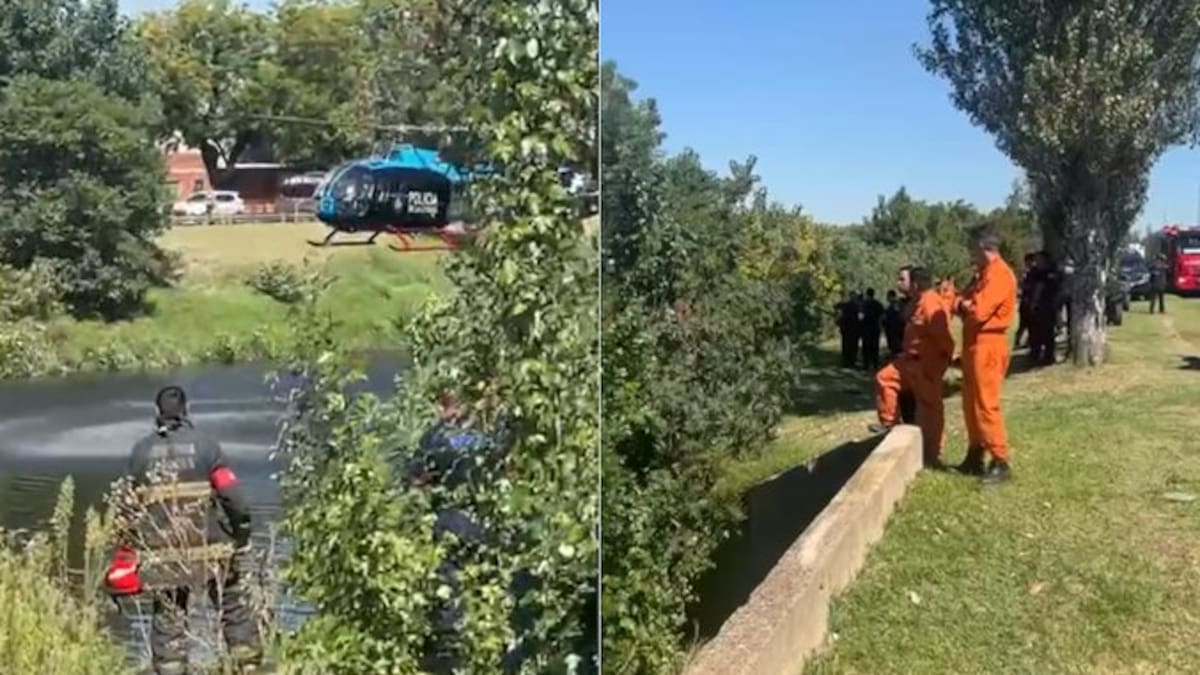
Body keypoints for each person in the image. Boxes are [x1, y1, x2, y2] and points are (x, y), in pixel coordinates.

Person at [106, 386, 263, 675]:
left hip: (162, 555)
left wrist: (126, 551)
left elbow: (126, 509)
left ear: (156, 414)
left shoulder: (141, 452)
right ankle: (248, 665)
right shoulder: (207, 446)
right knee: (234, 606)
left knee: (169, 618)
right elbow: (232, 496)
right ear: (187, 411)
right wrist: (241, 533)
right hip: (211, 549)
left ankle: (171, 670)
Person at [869, 265, 955, 468]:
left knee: (929, 409)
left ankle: (933, 454)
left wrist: (940, 364)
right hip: (909, 361)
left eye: (903, 280)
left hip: (926, 364)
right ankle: (889, 424)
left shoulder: (931, 304)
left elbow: (944, 339)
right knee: (885, 378)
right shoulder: (917, 302)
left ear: (916, 284)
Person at [953, 229, 1019, 485]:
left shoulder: (1000, 275)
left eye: (972, 249)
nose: (970, 254)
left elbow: (978, 311)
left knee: (986, 403)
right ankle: (975, 452)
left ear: (983, 247)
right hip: (973, 344)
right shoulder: (982, 275)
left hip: (989, 344)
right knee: (970, 402)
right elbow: (963, 303)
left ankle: (1000, 459)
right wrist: (962, 304)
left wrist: (964, 305)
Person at [1014, 253, 1038, 349]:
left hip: (1031, 300)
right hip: (1025, 301)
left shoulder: (1034, 273)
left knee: (1031, 324)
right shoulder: (1027, 273)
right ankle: (1018, 340)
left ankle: (1029, 341)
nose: (1027, 264)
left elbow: (1031, 286)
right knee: (1023, 323)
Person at [859, 288, 885, 371]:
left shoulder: (864, 304)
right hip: (875, 328)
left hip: (866, 328)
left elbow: (860, 316)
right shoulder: (878, 304)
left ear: (867, 294)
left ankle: (866, 364)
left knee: (866, 346)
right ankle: (875, 364)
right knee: (875, 346)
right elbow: (883, 316)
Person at [834, 292, 861, 368]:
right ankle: (852, 361)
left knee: (846, 345)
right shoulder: (858, 305)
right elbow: (860, 317)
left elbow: (836, 306)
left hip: (846, 328)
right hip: (854, 329)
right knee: (853, 346)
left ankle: (846, 361)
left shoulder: (845, 305)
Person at [883, 289, 905, 357]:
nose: (887, 298)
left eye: (888, 296)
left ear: (891, 296)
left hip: (895, 329)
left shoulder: (896, 304)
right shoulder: (890, 305)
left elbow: (898, 316)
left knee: (896, 345)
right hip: (891, 329)